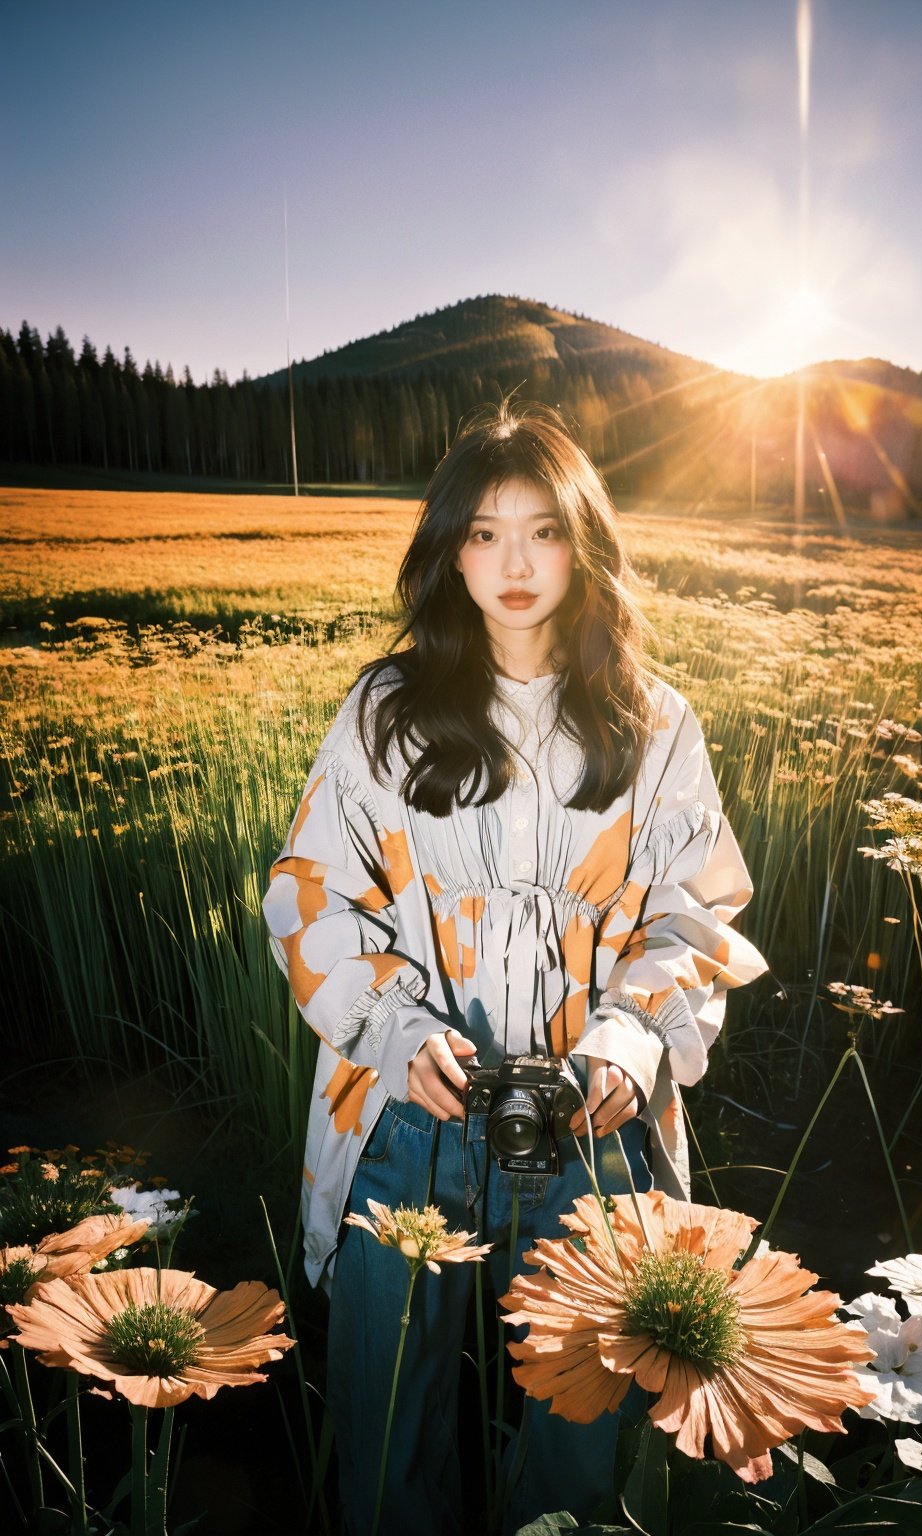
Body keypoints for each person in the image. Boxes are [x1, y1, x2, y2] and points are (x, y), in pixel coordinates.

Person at [262, 399, 767, 1534]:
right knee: (389, 1454)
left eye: (540, 529)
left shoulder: (653, 722)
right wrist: (392, 1030)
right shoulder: (386, 710)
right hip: (405, 1125)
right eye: (483, 533)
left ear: (582, 541)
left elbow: (697, 912)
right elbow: (308, 893)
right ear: (449, 550)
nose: (513, 563)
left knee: (582, 1469)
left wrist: (632, 1037)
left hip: (589, 1129)